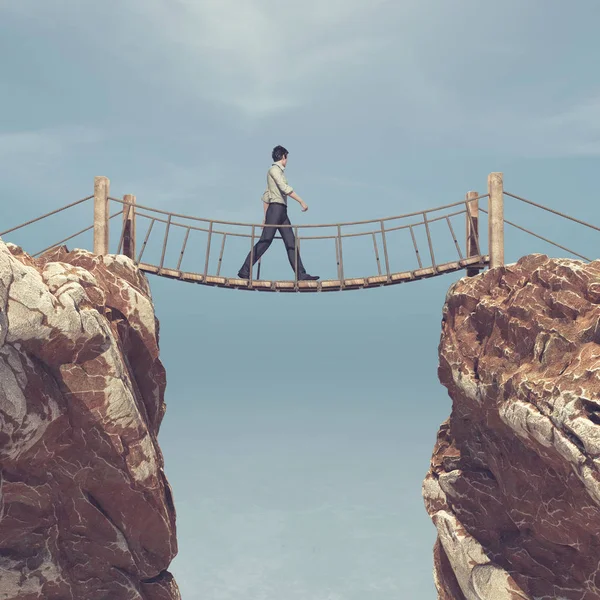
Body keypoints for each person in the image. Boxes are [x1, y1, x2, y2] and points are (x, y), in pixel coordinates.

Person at [237, 145, 319, 281]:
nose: (287, 160)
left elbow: (266, 195)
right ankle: (244, 270)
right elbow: (283, 188)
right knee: (265, 241)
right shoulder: (274, 170)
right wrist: (301, 201)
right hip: (275, 210)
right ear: (283, 157)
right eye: (286, 157)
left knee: (291, 242)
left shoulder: (278, 172)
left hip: (281, 211)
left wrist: (265, 217)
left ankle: (301, 274)